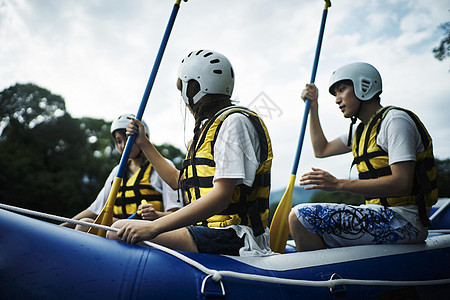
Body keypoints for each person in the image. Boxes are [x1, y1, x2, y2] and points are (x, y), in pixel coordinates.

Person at [107, 50, 273, 256]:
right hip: (210, 232)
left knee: (117, 230)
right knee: (116, 229)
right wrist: (144, 143)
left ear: (191, 90)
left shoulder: (234, 123)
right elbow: (179, 181)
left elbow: (221, 197)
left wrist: (154, 227)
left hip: (237, 236)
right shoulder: (208, 130)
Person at [289, 62, 438, 251]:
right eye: (335, 94)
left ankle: (319, 277)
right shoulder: (361, 131)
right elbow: (321, 149)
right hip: (379, 214)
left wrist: (339, 184)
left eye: (342, 90)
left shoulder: (395, 121)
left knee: (301, 216)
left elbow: (402, 183)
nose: (337, 99)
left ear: (363, 86)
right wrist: (313, 107)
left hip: (405, 222)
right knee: (302, 218)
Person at [61, 114, 182, 231]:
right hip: (118, 231)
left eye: (130, 139)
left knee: (86, 224)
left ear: (142, 139)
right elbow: (95, 210)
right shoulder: (117, 172)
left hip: (147, 232)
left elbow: (176, 214)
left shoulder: (163, 167)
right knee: (83, 225)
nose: (124, 145)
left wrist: (156, 215)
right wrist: (61, 227)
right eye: (119, 141)